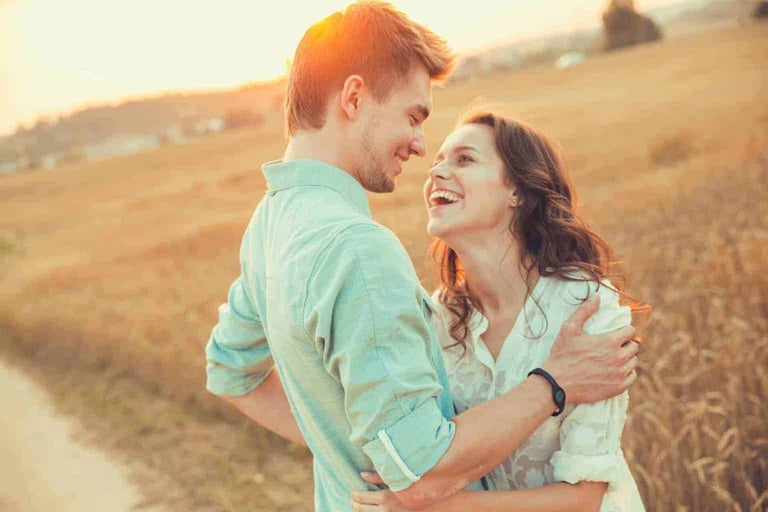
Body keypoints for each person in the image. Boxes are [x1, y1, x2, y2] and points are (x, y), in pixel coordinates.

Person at [204, 2, 639, 511]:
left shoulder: (267, 226)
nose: (419, 148)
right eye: (413, 116)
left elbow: (230, 372)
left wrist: (356, 447)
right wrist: (552, 385)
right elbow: (420, 475)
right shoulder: (359, 250)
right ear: (353, 97)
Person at [350, 112, 647, 511]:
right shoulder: (437, 319)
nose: (436, 171)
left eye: (464, 159)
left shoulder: (586, 307)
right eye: (437, 161)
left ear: (517, 192)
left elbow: (583, 499)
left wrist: (430, 508)